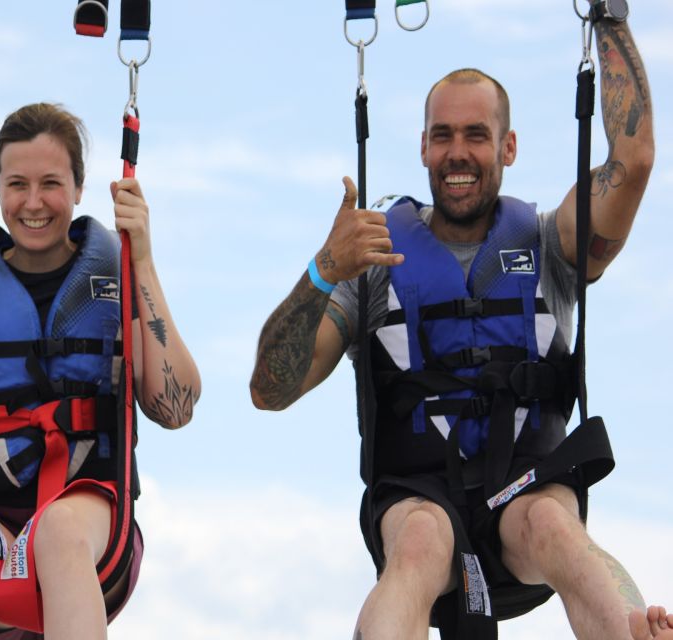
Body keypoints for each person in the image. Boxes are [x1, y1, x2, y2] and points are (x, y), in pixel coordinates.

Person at [250, 7, 663, 640]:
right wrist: (324, 270)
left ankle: (633, 629)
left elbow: (631, 161)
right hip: (417, 495)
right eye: (442, 135)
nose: (457, 153)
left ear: (508, 146)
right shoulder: (372, 261)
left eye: (476, 134)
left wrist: (607, 15)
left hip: (529, 491)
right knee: (418, 544)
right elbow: (269, 391)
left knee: (556, 529)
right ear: (422, 146)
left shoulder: (552, 244)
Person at [0, 103, 201, 640]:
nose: (32, 202)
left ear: (78, 188)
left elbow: (177, 406)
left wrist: (141, 260)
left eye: (51, 183)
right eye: (16, 184)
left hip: (89, 517)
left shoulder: (114, 277)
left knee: (58, 529)